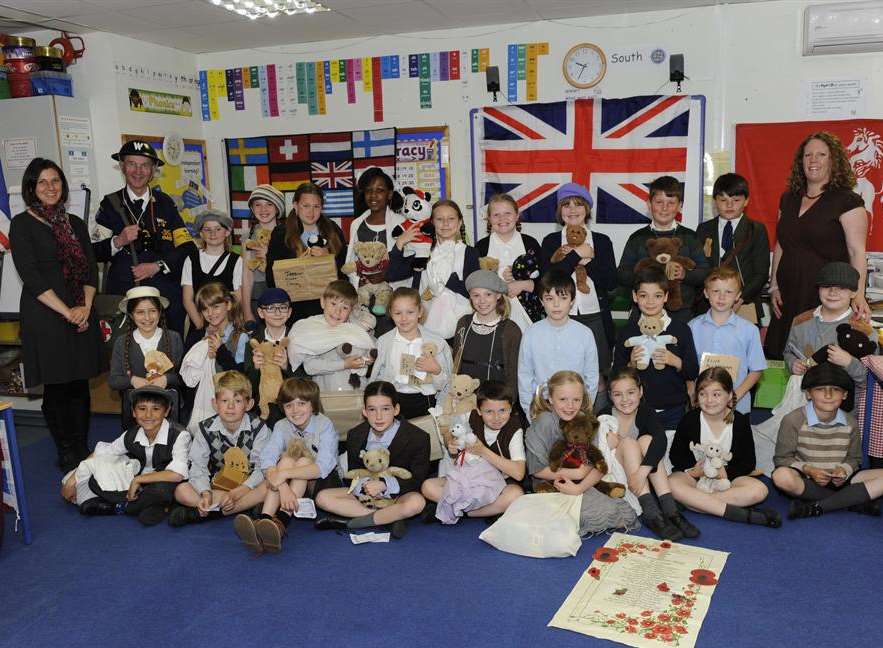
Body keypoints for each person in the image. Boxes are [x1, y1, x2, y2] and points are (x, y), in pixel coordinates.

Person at [9, 158, 102, 473]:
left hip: (81, 310)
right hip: (46, 314)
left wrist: (85, 308)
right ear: (31, 189)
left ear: (63, 186)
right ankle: (65, 450)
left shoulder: (74, 222)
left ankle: (82, 446)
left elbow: (90, 268)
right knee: (58, 385)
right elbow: (31, 277)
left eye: (55, 181)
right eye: (42, 183)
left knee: (79, 383)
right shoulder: (22, 224)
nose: (50, 188)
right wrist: (69, 312)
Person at [766, 132, 869, 358]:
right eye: (807, 155)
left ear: (833, 161)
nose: (813, 160)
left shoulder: (847, 201)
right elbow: (781, 244)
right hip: (787, 298)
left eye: (821, 154)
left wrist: (858, 294)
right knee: (778, 356)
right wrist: (774, 286)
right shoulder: (788, 199)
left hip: (825, 298)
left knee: (817, 362)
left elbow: (857, 251)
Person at [93, 140, 194, 334]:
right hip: (125, 296)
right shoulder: (110, 204)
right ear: (122, 166)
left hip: (164, 295)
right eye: (132, 164)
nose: (138, 171)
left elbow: (187, 248)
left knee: (169, 353)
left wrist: (157, 266)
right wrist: (118, 241)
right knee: (127, 355)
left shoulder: (166, 203)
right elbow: (93, 251)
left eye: (145, 165)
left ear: (154, 169)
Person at [234, 378, 340, 553]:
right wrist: (283, 486)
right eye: (289, 405)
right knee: (287, 459)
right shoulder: (281, 425)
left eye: (301, 404)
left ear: (313, 405)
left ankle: (282, 520)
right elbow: (267, 458)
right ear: (282, 408)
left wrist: (283, 475)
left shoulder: (324, 424)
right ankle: (266, 520)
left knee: (302, 461)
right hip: (288, 486)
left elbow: (322, 467)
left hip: (322, 482)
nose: (295, 410)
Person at [525, 370, 638, 534]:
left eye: (576, 400)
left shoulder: (584, 419)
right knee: (586, 517)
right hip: (552, 482)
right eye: (563, 399)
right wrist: (577, 475)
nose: (570, 406)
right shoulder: (545, 422)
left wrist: (579, 488)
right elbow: (538, 471)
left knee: (624, 514)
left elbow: (598, 464)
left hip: (582, 483)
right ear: (550, 398)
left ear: (582, 399)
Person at [314, 381, 430, 540]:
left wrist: (384, 484)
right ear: (364, 412)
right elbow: (352, 475)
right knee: (322, 498)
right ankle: (388, 519)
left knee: (417, 502)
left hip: (399, 496)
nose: (379, 416)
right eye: (372, 410)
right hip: (365, 497)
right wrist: (365, 486)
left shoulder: (418, 437)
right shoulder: (355, 434)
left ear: (396, 409)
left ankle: (352, 523)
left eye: (386, 409)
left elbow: (418, 480)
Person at [60, 385, 190, 526]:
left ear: (167, 411)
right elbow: (103, 452)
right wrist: (73, 479)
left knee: (162, 491)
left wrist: (138, 480)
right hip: (139, 483)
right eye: (142, 409)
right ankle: (154, 506)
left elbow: (177, 474)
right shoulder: (131, 434)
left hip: (166, 481)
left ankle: (122, 507)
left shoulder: (180, 435)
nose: (148, 415)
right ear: (133, 412)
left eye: (156, 409)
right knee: (93, 479)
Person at [668, 368, 780, 528]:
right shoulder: (690, 419)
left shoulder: (740, 422)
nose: (709, 400)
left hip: (727, 482)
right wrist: (693, 471)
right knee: (671, 484)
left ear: (729, 396)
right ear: (696, 398)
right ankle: (735, 513)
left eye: (716, 394)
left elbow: (748, 462)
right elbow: (676, 456)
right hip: (695, 479)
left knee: (759, 490)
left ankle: (694, 504)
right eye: (703, 394)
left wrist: (725, 472)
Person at [595, 367, 699, 540]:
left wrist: (642, 472)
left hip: (641, 476)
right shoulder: (604, 415)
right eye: (618, 394)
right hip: (617, 477)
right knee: (628, 443)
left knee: (648, 440)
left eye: (630, 392)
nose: (625, 399)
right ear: (610, 395)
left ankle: (670, 510)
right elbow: (596, 452)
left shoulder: (645, 411)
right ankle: (651, 513)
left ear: (640, 391)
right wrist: (606, 442)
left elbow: (660, 440)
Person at [772, 362, 883, 519]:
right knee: (781, 476)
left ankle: (817, 506)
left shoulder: (850, 421)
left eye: (836, 390)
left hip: (841, 480)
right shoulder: (793, 419)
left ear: (844, 395)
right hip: (807, 478)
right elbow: (782, 459)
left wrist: (844, 470)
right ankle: (851, 499)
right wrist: (809, 470)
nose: (828, 395)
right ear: (808, 394)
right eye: (820, 389)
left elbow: (855, 459)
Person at [170, 371, 270, 527]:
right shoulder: (205, 429)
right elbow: (198, 466)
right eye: (224, 400)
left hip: (249, 486)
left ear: (249, 404)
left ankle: (206, 513)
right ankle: (242, 508)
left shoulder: (260, 429)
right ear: (215, 404)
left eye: (237, 401)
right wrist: (205, 493)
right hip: (219, 486)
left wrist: (241, 490)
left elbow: (262, 468)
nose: (230, 406)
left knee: (269, 487)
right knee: (181, 490)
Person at [421, 381, 525, 524]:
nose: (496, 417)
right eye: (489, 411)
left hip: (498, 485)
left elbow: (519, 473)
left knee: (516, 495)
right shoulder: (469, 417)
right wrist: (450, 442)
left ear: (511, 409)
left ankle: (462, 512)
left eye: (502, 410)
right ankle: (484, 511)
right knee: (428, 487)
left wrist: (483, 451)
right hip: (468, 480)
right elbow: (450, 433)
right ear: (478, 410)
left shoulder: (514, 429)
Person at [540, 183, 617, 371]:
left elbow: (610, 282)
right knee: (562, 373)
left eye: (578, 204)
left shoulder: (602, 241)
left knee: (598, 374)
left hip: (595, 317)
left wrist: (588, 262)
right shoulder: (551, 241)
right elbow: (548, 280)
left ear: (587, 209)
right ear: (560, 211)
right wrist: (577, 255)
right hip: (560, 317)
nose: (572, 210)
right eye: (566, 205)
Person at [612, 268, 698, 431]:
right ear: (635, 296)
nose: (650, 302)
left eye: (657, 296)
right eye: (644, 295)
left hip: (674, 409)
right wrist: (631, 365)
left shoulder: (681, 329)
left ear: (666, 297)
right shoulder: (628, 332)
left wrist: (675, 361)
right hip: (638, 410)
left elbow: (693, 371)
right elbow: (615, 374)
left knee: (672, 454)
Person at [617, 175, 708, 321]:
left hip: (682, 312)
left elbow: (704, 272)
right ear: (649, 204)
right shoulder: (637, 237)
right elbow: (622, 273)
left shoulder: (690, 237)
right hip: (644, 312)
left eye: (671, 203)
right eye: (659, 202)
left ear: (680, 206)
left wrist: (685, 274)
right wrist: (647, 275)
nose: (664, 208)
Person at [387, 199, 480, 339]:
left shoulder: (470, 252)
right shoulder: (422, 251)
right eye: (439, 219)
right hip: (423, 325)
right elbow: (392, 274)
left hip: (460, 325)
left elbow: (474, 291)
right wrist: (400, 242)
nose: (445, 224)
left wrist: (446, 280)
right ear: (431, 223)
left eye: (451, 219)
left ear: (460, 222)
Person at [518, 270, 599, 417]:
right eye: (549, 298)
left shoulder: (585, 334)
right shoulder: (531, 333)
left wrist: (583, 413)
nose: (556, 304)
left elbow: (591, 378)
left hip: (576, 411)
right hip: (542, 411)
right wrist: (532, 415)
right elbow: (525, 378)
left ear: (572, 301)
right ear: (542, 301)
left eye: (563, 298)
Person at [783, 262, 874, 390]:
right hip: (805, 397)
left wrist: (849, 362)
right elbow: (788, 352)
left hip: (847, 404)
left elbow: (871, 379)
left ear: (853, 293)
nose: (833, 292)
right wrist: (792, 363)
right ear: (818, 289)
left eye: (841, 288)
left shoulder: (864, 330)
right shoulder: (801, 321)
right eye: (826, 286)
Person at [688, 266, 766, 415]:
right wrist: (692, 391)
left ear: (738, 296)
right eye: (716, 291)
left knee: (736, 438)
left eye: (729, 292)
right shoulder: (692, 327)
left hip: (737, 406)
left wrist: (735, 396)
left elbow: (757, 369)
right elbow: (688, 367)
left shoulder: (749, 330)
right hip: (703, 404)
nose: (721, 297)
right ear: (706, 293)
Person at [265, 182, 346, 322]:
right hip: (295, 311)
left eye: (316, 206)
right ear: (295, 206)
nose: (311, 212)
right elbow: (271, 277)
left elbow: (346, 271)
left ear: (322, 207)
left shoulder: (333, 230)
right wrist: (296, 265)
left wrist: (328, 259)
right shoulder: (281, 234)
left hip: (330, 310)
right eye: (305, 206)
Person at [695, 173, 770, 322]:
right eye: (723, 200)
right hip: (710, 303)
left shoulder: (756, 229)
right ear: (715, 201)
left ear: (746, 201)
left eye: (736, 200)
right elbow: (699, 268)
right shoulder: (704, 229)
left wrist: (739, 299)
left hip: (743, 304)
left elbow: (761, 273)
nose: (729, 205)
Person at [108, 286, 184, 428]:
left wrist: (167, 379)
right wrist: (133, 380)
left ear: (160, 312)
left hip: (169, 413)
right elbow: (113, 380)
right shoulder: (122, 342)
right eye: (140, 312)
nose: (147, 318)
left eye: (152, 311)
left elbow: (184, 377)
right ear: (131, 315)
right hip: (135, 415)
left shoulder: (174, 338)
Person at [372, 287, 453, 419]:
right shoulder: (384, 341)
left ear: (420, 312)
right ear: (391, 313)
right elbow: (379, 376)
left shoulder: (437, 343)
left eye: (410, 312)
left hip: (426, 401)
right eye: (398, 313)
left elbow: (447, 384)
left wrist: (436, 370)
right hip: (393, 400)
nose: (404, 318)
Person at [288, 280, 376, 392]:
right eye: (333, 304)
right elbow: (310, 367)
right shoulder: (310, 328)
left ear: (351, 310)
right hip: (326, 397)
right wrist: (344, 364)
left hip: (357, 394)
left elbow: (371, 351)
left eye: (345, 308)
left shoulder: (357, 330)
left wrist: (368, 359)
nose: (337, 311)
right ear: (323, 302)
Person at [451, 270, 521, 402]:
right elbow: (456, 362)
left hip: (496, 401)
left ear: (498, 295)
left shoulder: (511, 330)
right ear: (470, 297)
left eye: (488, 294)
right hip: (464, 398)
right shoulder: (463, 323)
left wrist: (510, 401)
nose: (482, 301)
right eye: (476, 295)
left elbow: (514, 373)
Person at [475, 193, 544, 326]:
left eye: (508, 213)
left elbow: (545, 279)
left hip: (529, 316)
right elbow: (475, 283)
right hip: (491, 315)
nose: (502, 218)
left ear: (517, 216)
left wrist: (524, 283)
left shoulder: (530, 243)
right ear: (489, 219)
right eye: (496, 215)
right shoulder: (481, 247)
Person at [181, 210, 242, 346]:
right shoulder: (191, 259)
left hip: (227, 328)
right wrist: (202, 327)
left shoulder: (236, 261)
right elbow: (187, 299)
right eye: (207, 230)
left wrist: (223, 326)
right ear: (201, 234)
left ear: (227, 232)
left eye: (218, 229)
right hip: (198, 325)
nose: (212, 234)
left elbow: (238, 298)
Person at [243, 288, 296, 427]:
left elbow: (307, 379)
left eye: (283, 307)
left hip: (292, 405)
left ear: (289, 312)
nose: (278, 313)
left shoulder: (296, 338)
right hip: (263, 408)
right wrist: (255, 368)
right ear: (261, 313)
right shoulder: (253, 342)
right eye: (271, 308)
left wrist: (286, 367)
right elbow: (248, 387)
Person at [346, 167, 405, 288]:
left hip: (395, 294)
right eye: (368, 190)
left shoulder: (402, 223)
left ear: (389, 194)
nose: (373, 195)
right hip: (364, 295)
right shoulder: (356, 224)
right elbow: (350, 262)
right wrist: (358, 281)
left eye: (380, 190)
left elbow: (408, 262)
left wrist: (386, 275)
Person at [241, 184, 285, 320]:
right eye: (258, 205)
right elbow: (246, 275)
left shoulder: (288, 234)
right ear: (252, 208)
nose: (263, 209)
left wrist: (270, 255)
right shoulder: (248, 236)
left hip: (282, 293)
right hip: (256, 296)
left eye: (269, 204)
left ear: (277, 208)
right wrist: (247, 311)